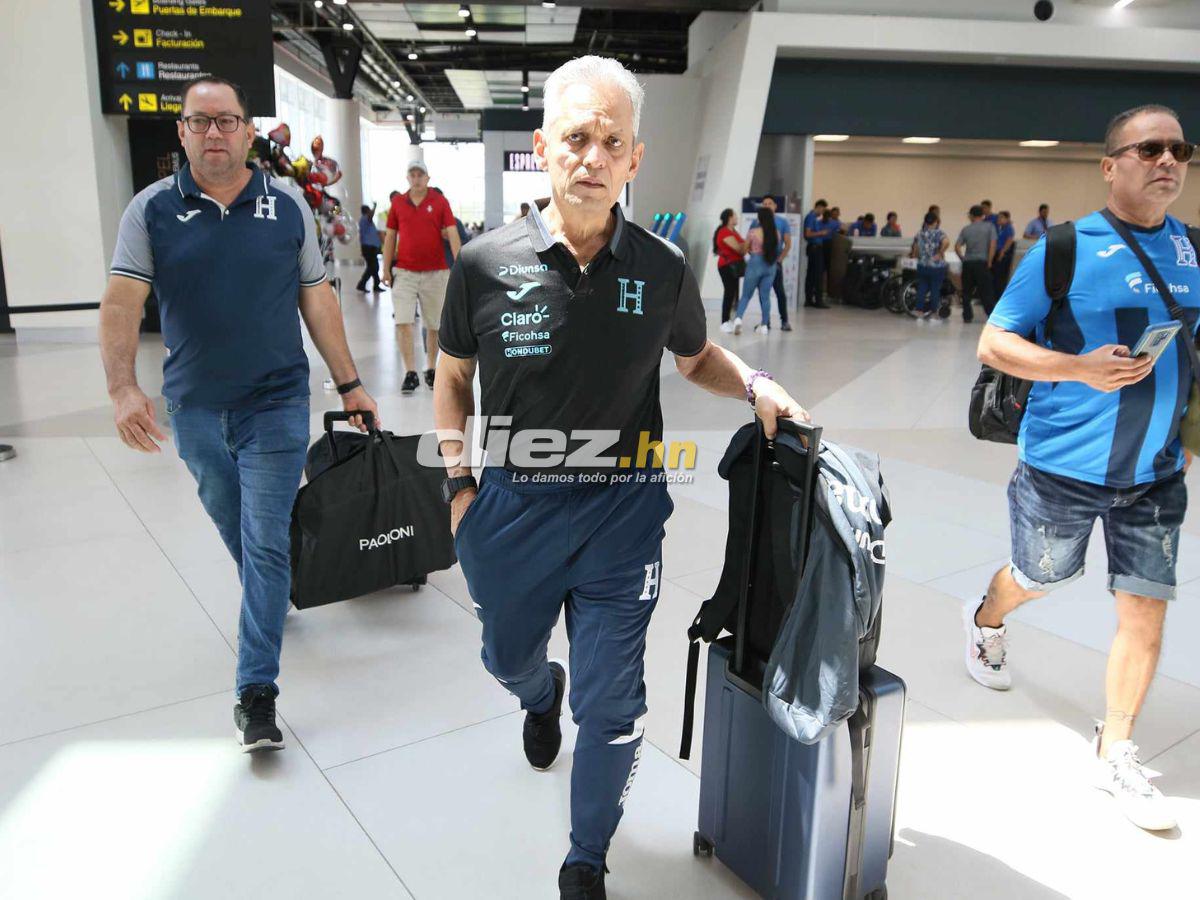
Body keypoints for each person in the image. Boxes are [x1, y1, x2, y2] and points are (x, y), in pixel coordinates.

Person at [433, 55, 808, 900]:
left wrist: (753, 382)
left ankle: (586, 857)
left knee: (611, 703)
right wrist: (458, 487)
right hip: (512, 510)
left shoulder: (662, 266)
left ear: (635, 158)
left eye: (612, 143)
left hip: (623, 514)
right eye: (576, 138)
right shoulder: (484, 263)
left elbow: (695, 358)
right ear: (542, 148)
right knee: (505, 657)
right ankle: (539, 694)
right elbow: (453, 378)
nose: (592, 158)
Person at [99, 76, 379, 753]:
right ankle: (270, 590)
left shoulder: (287, 205)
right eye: (200, 122)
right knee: (236, 525)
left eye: (227, 120)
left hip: (277, 401)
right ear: (182, 133)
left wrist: (349, 384)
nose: (214, 132)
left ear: (249, 132)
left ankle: (256, 692)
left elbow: (317, 299)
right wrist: (122, 389)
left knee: (264, 537)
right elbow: (122, 302)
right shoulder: (150, 210)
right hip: (195, 408)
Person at [972, 104, 1197, 833]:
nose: (1168, 161)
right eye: (1150, 148)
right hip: (1061, 468)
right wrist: (1077, 368)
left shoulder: (1193, 250)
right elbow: (994, 343)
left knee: (1145, 606)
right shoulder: (1064, 249)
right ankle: (986, 617)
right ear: (1110, 166)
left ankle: (1116, 748)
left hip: (1156, 472)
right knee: (1038, 576)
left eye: (1180, 150)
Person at [381, 159, 461, 393]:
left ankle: (431, 368)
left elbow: (453, 233)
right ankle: (410, 372)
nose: (416, 179)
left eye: (420, 175)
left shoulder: (440, 202)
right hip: (405, 272)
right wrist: (385, 268)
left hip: (436, 273)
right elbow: (390, 237)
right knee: (403, 321)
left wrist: (460, 266)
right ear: (408, 178)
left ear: (427, 178)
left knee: (434, 324)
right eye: (412, 175)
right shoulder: (398, 203)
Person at [735, 205, 781, 334]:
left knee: (746, 295)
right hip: (770, 266)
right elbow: (778, 250)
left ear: (760, 219)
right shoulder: (776, 233)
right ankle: (764, 325)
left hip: (755, 264)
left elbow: (744, 250)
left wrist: (748, 250)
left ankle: (738, 319)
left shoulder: (753, 232)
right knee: (765, 297)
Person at [955, 204, 997, 322]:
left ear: (971, 216)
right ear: (983, 215)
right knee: (986, 291)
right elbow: (993, 245)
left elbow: (957, 246)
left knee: (966, 291)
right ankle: (991, 316)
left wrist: (962, 258)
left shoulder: (966, 229)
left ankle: (967, 316)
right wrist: (990, 261)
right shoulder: (990, 227)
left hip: (968, 263)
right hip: (982, 263)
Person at [760, 195, 794, 331]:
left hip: (775, 262)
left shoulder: (782, 222)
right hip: (761, 263)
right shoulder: (758, 222)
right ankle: (765, 322)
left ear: (775, 206)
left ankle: (784, 321)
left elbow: (788, 243)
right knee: (763, 293)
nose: (767, 206)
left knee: (779, 291)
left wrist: (779, 259)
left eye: (770, 203)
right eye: (764, 204)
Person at [713, 207, 746, 332]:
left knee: (734, 293)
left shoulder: (734, 232)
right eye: (735, 216)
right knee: (729, 292)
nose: (737, 218)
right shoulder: (724, 232)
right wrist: (746, 244)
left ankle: (729, 320)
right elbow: (739, 248)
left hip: (735, 267)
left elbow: (743, 247)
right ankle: (724, 321)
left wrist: (745, 245)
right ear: (729, 218)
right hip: (727, 266)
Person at [910, 211, 949, 319]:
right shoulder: (939, 233)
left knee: (922, 288)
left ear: (925, 222)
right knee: (935, 289)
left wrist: (916, 256)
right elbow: (946, 242)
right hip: (936, 267)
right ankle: (933, 312)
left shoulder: (919, 233)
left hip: (923, 265)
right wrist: (940, 253)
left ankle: (919, 311)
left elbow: (915, 249)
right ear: (936, 222)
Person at [803, 198, 831, 308]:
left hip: (814, 248)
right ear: (819, 207)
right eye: (823, 210)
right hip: (815, 248)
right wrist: (821, 233)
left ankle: (809, 300)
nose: (822, 213)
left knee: (811, 275)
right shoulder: (811, 217)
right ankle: (818, 301)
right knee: (818, 275)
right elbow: (808, 234)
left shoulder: (814, 218)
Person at [356, 202, 382, 292]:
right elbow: (371, 215)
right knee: (372, 267)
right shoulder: (365, 219)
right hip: (369, 248)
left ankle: (376, 286)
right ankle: (362, 284)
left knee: (374, 267)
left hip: (368, 247)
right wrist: (375, 206)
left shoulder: (363, 220)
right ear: (367, 211)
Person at [991, 210, 1016, 298]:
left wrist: (1002, 252)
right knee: (996, 276)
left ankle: (999, 296)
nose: (999, 219)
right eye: (998, 217)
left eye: (1001, 217)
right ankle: (995, 295)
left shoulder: (1009, 228)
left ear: (1007, 218)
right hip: (998, 252)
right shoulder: (1000, 228)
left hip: (1003, 254)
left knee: (1000, 276)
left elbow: (1009, 241)